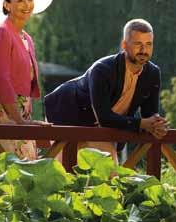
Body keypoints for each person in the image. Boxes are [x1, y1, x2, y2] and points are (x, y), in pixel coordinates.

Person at [44, 18, 167, 162]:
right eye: (138, 44)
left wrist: (157, 124)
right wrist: (141, 123)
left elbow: (149, 115)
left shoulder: (152, 73)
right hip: (66, 114)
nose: (143, 50)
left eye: (148, 44)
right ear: (124, 45)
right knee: (63, 175)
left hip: (100, 128)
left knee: (107, 175)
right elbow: (104, 117)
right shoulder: (102, 69)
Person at [0, 0, 54, 159]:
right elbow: (1, 78)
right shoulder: (1, 33)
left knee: (25, 167)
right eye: (20, 0)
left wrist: (24, 117)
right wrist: (18, 120)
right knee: (2, 172)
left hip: (21, 109)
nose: (27, 5)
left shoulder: (26, 38)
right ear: (7, 5)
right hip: (1, 109)